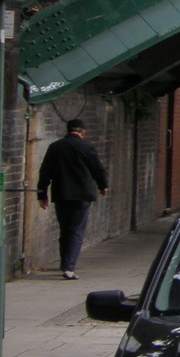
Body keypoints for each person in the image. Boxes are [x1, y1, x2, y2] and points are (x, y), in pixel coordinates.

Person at [36, 118, 109, 279]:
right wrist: (103, 185)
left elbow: (45, 172)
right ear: (83, 132)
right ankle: (69, 268)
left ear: (67, 131)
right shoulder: (86, 147)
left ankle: (64, 263)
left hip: (61, 194)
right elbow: (97, 168)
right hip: (82, 196)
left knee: (65, 230)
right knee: (76, 231)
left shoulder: (55, 147)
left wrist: (42, 195)